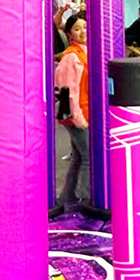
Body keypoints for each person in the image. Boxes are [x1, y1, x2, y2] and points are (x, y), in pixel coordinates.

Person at [55, 14, 89, 207]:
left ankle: (68, 196)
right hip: (75, 113)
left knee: (78, 156)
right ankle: (87, 199)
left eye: (84, 26)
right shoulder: (71, 57)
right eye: (77, 28)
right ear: (70, 34)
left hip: (81, 111)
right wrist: (78, 118)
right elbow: (68, 91)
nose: (83, 31)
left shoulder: (85, 52)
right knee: (88, 157)